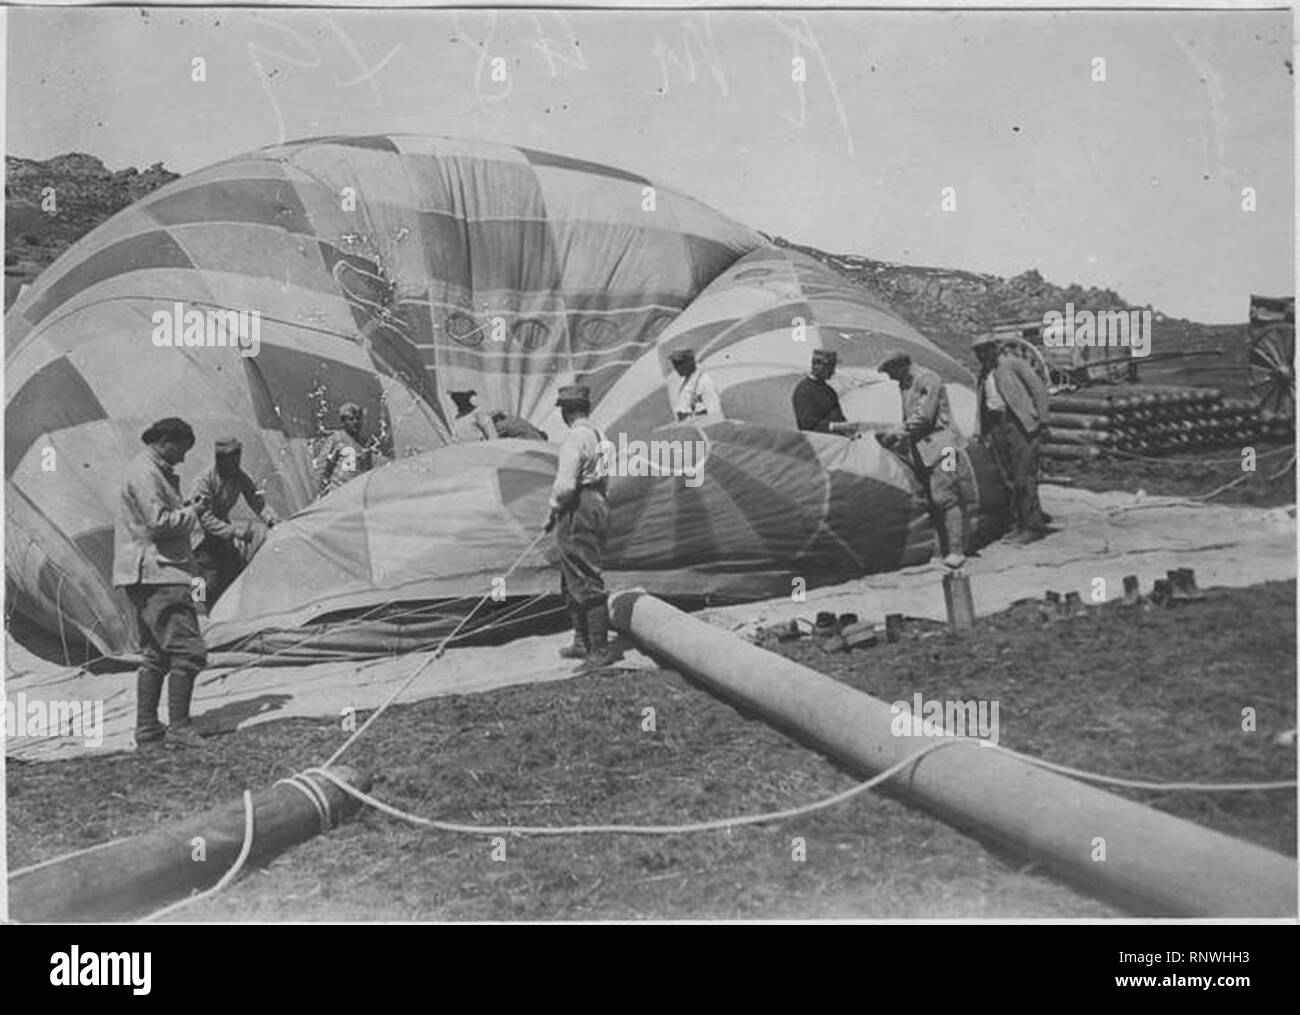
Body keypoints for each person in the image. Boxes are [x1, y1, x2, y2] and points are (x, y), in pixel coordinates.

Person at [112, 417, 210, 750]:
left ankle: (148, 731)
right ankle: (179, 728)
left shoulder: (148, 471)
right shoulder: (146, 473)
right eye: (182, 449)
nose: (183, 458)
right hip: (160, 573)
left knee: (156, 654)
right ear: (166, 440)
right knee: (189, 651)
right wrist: (193, 511)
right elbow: (158, 523)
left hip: (151, 574)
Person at [544, 385, 621, 668]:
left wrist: (553, 509)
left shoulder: (575, 438)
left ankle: (599, 650)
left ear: (566, 411)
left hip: (579, 505)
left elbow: (565, 486)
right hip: (597, 501)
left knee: (584, 575)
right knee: (571, 573)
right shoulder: (600, 435)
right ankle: (581, 641)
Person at [876, 351, 968, 569]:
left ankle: (956, 550)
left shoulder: (927, 378)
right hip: (923, 449)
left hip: (945, 446)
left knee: (947, 496)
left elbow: (924, 416)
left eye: (891, 372)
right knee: (934, 498)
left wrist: (896, 433)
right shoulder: (906, 384)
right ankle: (940, 548)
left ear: (902, 365)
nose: (890, 377)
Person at [972, 334, 1051, 544]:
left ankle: (1033, 527)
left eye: (985, 351)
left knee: (1024, 477)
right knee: (1008, 479)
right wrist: (979, 430)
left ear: (995, 349)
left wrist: (1042, 420)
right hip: (997, 427)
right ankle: (1018, 524)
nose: (982, 356)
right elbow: (982, 404)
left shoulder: (1014, 364)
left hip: (1020, 426)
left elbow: (1039, 390)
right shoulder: (984, 373)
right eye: (978, 353)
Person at [190, 438, 279, 609]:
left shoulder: (239, 476)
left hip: (222, 532)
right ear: (220, 459)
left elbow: (256, 500)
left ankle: (223, 613)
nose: (234, 463)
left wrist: (271, 520)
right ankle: (196, 610)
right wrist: (236, 532)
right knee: (200, 578)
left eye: (237, 458)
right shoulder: (204, 481)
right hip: (199, 535)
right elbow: (204, 517)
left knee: (234, 573)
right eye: (229, 459)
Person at [316, 402, 384, 495]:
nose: (355, 422)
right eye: (351, 419)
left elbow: (368, 471)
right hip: (337, 491)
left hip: (355, 495)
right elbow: (323, 467)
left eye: (358, 419)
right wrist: (320, 492)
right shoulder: (336, 438)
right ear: (343, 421)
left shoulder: (364, 444)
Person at [792, 349, 856, 434]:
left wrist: (849, 428)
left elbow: (838, 418)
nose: (833, 372)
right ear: (817, 366)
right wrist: (835, 427)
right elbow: (806, 425)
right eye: (830, 368)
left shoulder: (829, 391)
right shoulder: (803, 391)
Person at [669, 349, 722, 420]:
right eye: (675, 365)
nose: (677, 368)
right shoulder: (681, 382)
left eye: (680, 364)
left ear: (691, 362)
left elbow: (714, 412)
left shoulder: (704, 381)